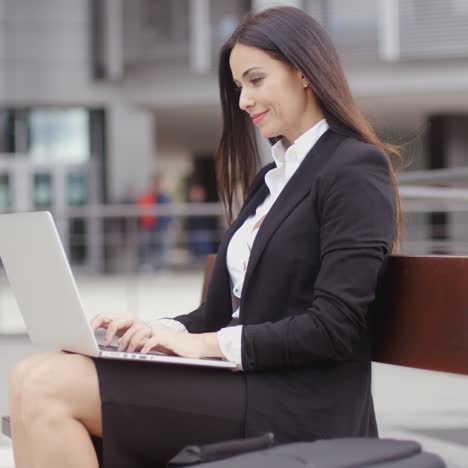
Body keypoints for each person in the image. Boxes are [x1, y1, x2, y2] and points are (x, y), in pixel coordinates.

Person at [8, 6, 401, 468]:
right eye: (239, 87)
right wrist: (157, 332)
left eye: (256, 80)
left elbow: (334, 328)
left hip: (299, 404)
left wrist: (205, 345)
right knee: (30, 375)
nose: (243, 101)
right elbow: (217, 315)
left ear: (303, 72)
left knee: (45, 388)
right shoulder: (272, 180)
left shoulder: (354, 169)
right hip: (244, 383)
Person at [137, 175, 173, 271]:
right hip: (149, 227)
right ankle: (148, 267)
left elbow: (169, 213)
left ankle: (161, 268)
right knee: (148, 248)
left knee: (162, 249)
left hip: (162, 227)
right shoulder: (148, 197)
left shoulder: (165, 198)